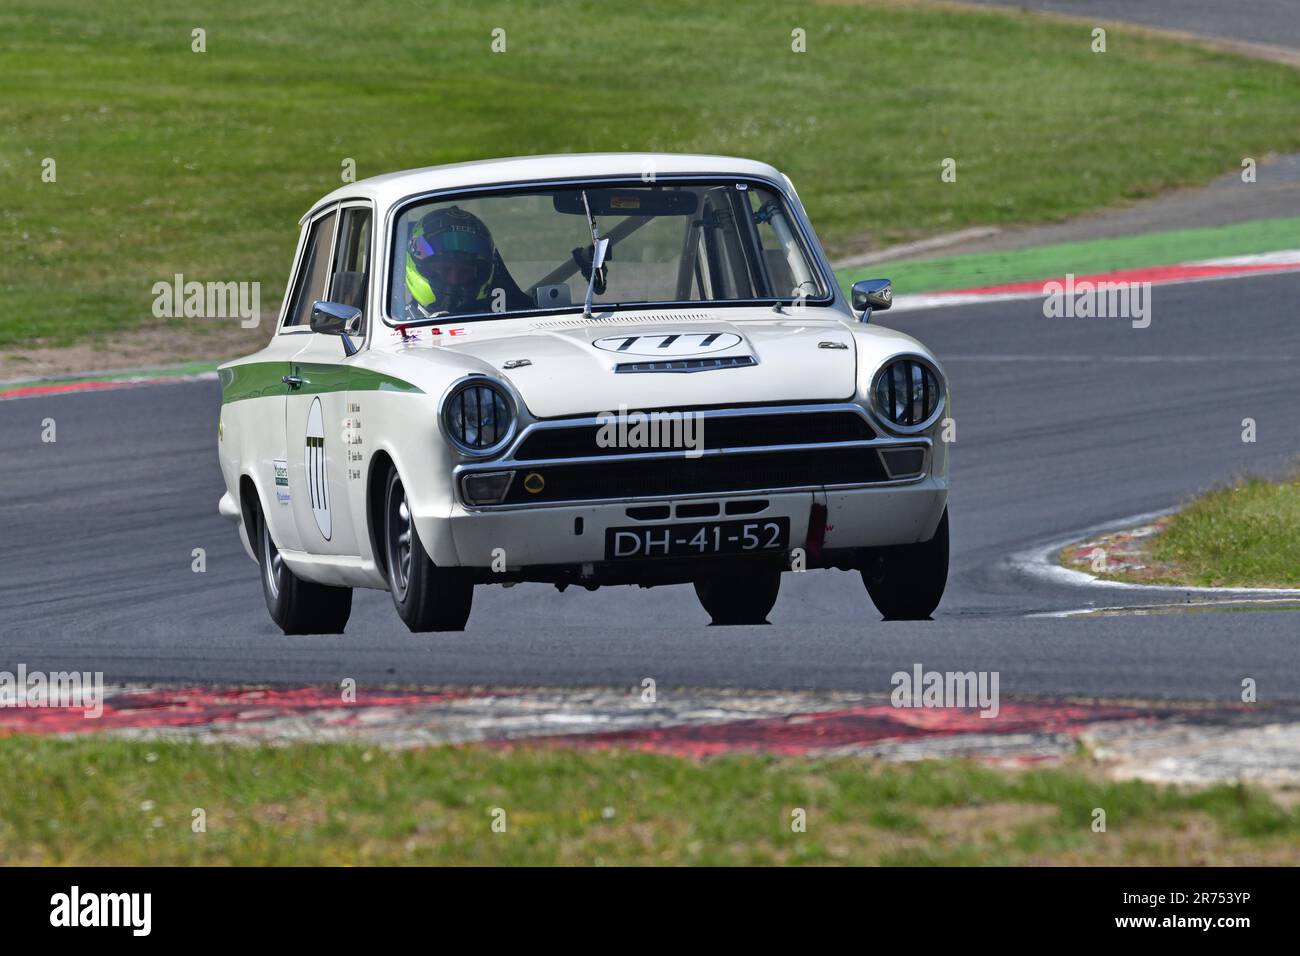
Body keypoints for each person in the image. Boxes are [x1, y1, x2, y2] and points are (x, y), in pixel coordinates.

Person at [403, 206, 530, 318]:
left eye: (464, 272)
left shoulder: (504, 321)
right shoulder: (388, 326)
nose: (454, 280)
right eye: (444, 270)